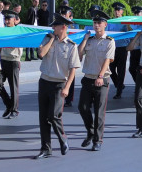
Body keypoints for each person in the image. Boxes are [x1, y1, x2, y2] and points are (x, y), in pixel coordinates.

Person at [34, 14, 80, 157]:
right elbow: (41, 54)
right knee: (43, 117)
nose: (53, 27)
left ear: (63, 27)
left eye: (55, 26)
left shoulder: (71, 46)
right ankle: (45, 148)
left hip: (59, 84)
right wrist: (52, 40)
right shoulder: (47, 39)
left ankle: (63, 138)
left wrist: (67, 87)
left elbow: (73, 69)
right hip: (44, 81)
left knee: (54, 115)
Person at [76, 10, 115, 150]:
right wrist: (84, 39)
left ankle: (97, 140)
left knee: (99, 111)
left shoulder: (110, 41)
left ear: (105, 25)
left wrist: (100, 76)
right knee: (82, 107)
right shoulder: (90, 40)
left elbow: (107, 60)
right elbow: (79, 55)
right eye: (94, 23)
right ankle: (90, 131)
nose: (96, 25)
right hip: (88, 78)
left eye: (99, 23)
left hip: (101, 80)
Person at [0, 10, 22, 118]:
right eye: (5, 19)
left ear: (14, 20)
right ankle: (9, 104)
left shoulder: (18, 31)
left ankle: (14, 110)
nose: (6, 22)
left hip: (13, 60)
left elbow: (21, 45)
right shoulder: (4, 31)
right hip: (3, 60)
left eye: (8, 19)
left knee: (13, 87)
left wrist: (18, 60)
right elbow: (0, 45)